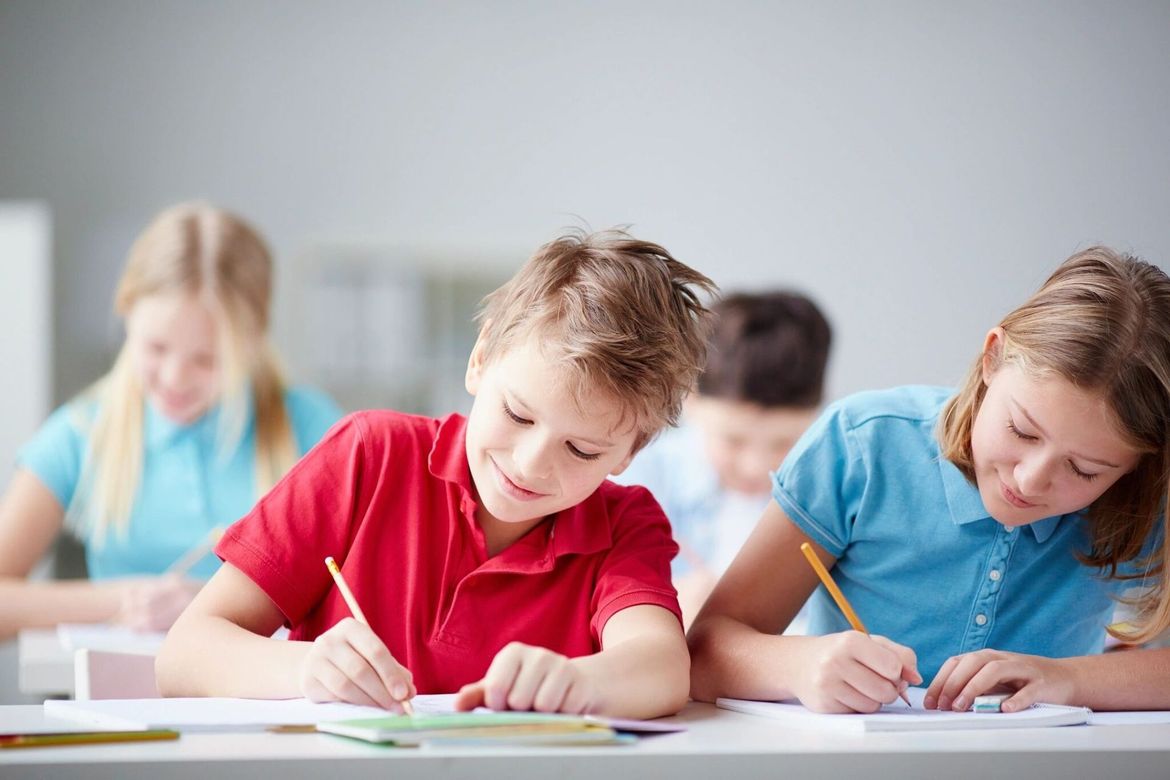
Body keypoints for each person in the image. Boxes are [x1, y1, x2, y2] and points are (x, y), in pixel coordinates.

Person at [157, 228, 716, 720]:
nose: (528, 464)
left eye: (582, 449)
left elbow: (662, 667)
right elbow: (184, 654)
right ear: (479, 360)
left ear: (629, 453)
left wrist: (581, 682)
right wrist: (306, 668)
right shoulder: (368, 455)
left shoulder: (625, 523)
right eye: (517, 414)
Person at [689, 247, 1170, 714]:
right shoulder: (863, 447)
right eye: (1021, 430)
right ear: (992, 359)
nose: (1029, 480)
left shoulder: (1142, 495)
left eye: (1084, 470)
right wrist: (798, 665)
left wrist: (1070, 678)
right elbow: (706, 652)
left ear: (1135, 466)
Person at [0, 202, 343, 639]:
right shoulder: (82, 433)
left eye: (206, 359)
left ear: (252, 343)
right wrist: (127, 600)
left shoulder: (316, 433)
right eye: (157, 348)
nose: (175, 379)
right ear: (126, 313)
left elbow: (361, 596)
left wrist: (210, 606)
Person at [617, 291, 830, 627]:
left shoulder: (833, 493)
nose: (755, 466)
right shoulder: (631, 480)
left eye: (784, 441)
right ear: (688, 398)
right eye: (733, 440)